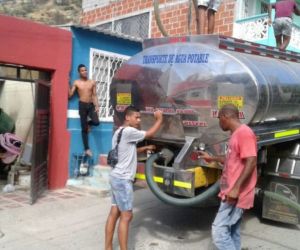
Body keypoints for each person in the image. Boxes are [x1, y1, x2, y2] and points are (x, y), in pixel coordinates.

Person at [199, 104, 257, 250]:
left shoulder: (244, 133)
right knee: (233, 231)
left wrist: (236, 189)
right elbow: (232, 159)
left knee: (218, 232)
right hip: (231, 191)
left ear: (225, 116)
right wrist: (212, 158)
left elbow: (251, 161)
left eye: (219, 118)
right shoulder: (236, 134)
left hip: (235, 193)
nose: (219, 122)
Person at [105, 106, 163, 250]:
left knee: (114, 213)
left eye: (139, 117)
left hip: (115, 177)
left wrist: (142, 149)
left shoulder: (118, 132)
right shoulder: (130, 131)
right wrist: (159, 119)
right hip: (123, 180)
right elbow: (149, 133)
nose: (138, 120)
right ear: (127, 117)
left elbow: (124, 150)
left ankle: (107, 247)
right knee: (127, 216)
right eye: (136, 117)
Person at [69, 64, 100, 157]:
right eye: (82, 70)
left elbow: (94, 95)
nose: (85, 72)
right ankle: (87, 149)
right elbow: (70, 95)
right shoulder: (76, 82)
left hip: (91, 105)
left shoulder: (92, 82)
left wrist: (97, 106)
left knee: (97, 122)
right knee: (84, 129)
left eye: (85, 70)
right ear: (79, 72)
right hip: (82, 105)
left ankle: (89, 124)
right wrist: (67, 83)